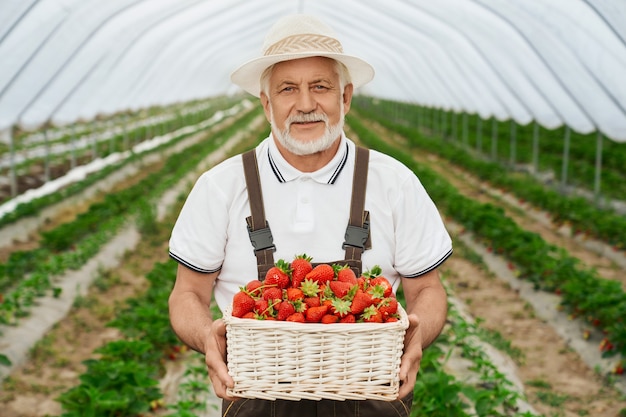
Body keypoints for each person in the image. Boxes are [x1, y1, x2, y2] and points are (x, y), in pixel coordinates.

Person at [168, 14, 452, 417]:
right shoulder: (221, 187)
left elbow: (428, 288)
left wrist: (416, 334)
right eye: (288, 89)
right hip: (257, 393)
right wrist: (207, 338)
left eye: (321, 86)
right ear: (267, 103)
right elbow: (187, 293)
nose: (305, 104)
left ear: (346, 97)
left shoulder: (395, 183)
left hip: (370, 393)